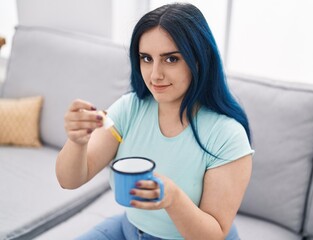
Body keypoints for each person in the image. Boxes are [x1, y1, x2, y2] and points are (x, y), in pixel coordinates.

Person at [56, 3, 254, 240]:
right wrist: (77, 141)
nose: (155, 74)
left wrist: (173, 199)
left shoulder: (227, 135)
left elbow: (213, 235)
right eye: (146, 58)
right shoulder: (130, 108)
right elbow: (70, 180)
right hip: (129, 229)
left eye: (171, 59)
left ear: (198, 61)